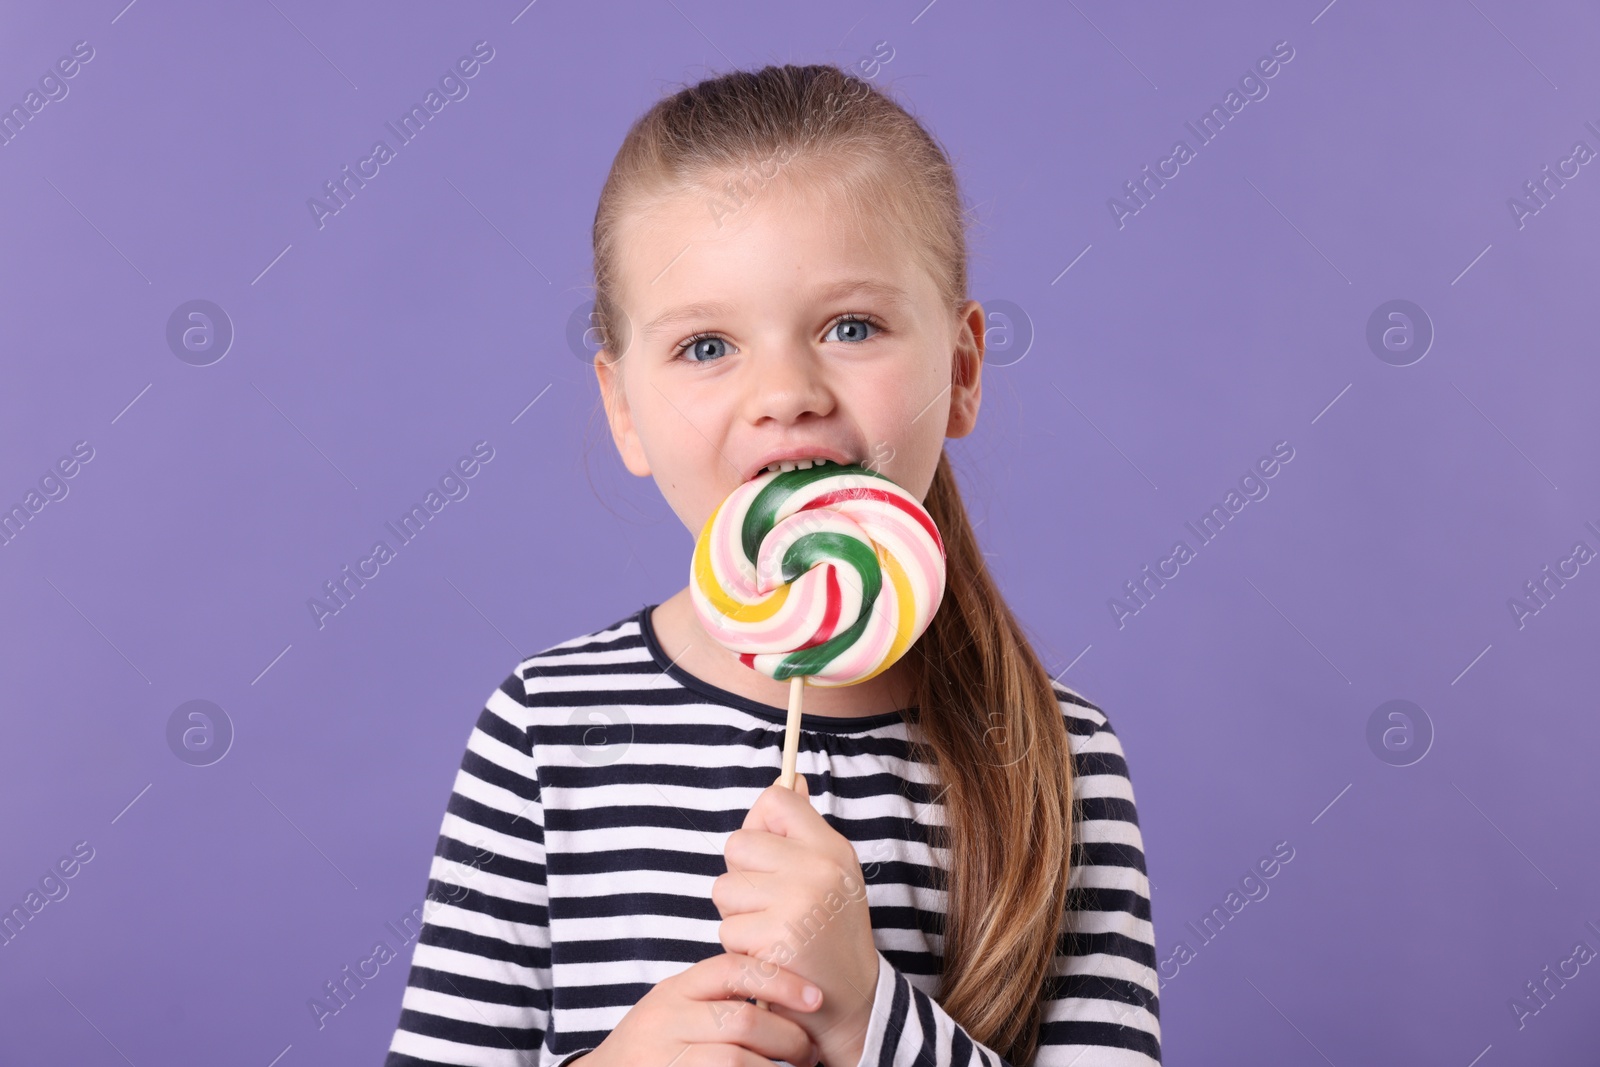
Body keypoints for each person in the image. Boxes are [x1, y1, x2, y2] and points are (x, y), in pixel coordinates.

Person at [384, 63, 1161, 1067]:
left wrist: (866, 1012)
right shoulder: (547, 733)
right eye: (706, 344)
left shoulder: (1060, 759)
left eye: (851, 327)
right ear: (622, 407)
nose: (785, 391)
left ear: (962, 370)